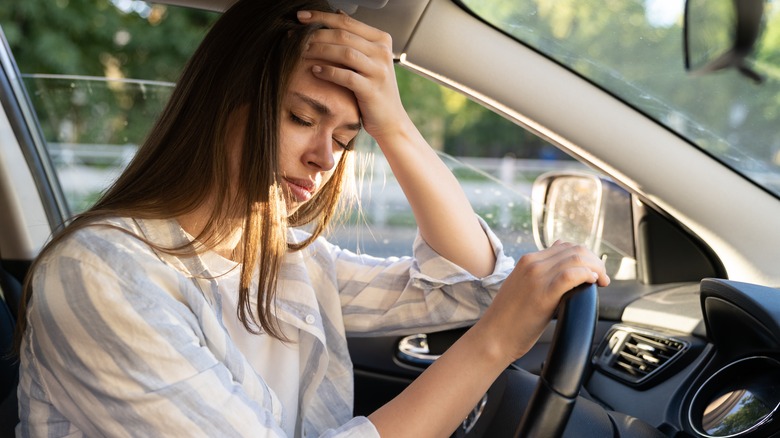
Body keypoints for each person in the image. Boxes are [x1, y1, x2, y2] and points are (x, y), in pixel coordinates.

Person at [13, 0, 610, 436]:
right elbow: (489, 316)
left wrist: (395, 125)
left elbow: (468, 287)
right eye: (302, 118)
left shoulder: (281, 255)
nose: (324, 158)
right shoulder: (101, 274)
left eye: (347, 139)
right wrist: (493, 346)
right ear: (222, 104)